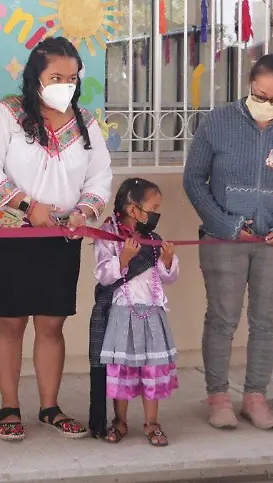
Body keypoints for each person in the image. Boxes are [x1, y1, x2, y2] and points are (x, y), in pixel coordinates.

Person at [0, 36, 112, 442]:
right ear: (36, 77)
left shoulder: (85, 121)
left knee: (52, 323)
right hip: (13, 233)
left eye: (71, 78)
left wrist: (85, 210)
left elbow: (100, 175)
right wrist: (26, 205)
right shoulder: (8, 115)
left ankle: (50, 407)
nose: (65, 85)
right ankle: (9, 406)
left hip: (63, 237)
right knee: (12, 320)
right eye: (56, 77)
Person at [183, 50, 273, 430]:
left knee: (267, 323)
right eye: (260, 96)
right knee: (222, 319)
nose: (266, 105)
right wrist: (225, 224)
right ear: (249, 86)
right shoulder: (218, 121)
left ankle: (256, 396)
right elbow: (194, 179)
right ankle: (218, 397)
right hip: (223, 239)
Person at [92, 178, 179, 447]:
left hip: (152, 313)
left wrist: (167, 261)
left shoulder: (153, 239)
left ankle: (152, 422)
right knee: (124, 368)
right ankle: (120, 421)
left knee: (152, 368)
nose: (156, 214)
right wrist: (123, 259)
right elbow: (103, 275)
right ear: (133, 210)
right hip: (122, 314)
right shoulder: (110, 237)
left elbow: (168, 277)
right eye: (153, 208)